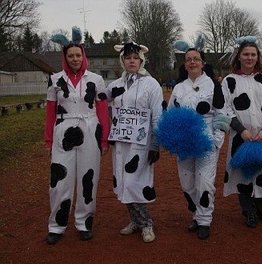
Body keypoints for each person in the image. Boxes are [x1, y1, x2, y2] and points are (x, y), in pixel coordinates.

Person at [44, 27, 110, 244]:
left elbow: (101, 110)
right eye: (70, 55)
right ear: (65, 57)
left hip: (90, 129)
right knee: (59, 180)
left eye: (78, 55)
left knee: (87, 179)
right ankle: (56, 225)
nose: (74, 59)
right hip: (63, 130)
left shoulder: (96, 80)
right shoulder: (54, 80)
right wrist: (49, 139)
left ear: (83, 56)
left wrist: (104, 137)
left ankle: (84, 222)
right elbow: (50, 112)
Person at [167, 48, 229, 240]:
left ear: (203, 63)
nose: (192, 62)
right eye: (188, 60)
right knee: (187, 184)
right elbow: (170, 113)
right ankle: (196, 213)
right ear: (184, 64)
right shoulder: (179, 87)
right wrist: (172, 138)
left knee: (204, 181)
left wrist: (216, 140)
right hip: (184, 142)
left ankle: (204, 220)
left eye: (196, 59)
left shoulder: (213, 85)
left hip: (206, 140)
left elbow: (222, 113)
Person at [106, 42, 163, 243]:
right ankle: (135, 220)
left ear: (141, 60)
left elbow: (157, 114)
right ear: (122, 61)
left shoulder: (151, 84)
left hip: (142, 143)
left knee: (134, 182)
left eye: (135, 58)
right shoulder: (114, 86)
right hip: (121, 143)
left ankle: (146, 223)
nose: (132, 61)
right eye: (128, 58)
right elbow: (104, 108)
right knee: (123, 182)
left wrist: (156, 143)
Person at [221, 39, 262, 228]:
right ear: (239, 56)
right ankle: (248, 211)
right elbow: (225, 108)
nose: (249, 58)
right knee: (243, 173)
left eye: (253, 54)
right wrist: (242, 131)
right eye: (246, 54)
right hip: (242, 137)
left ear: (258, 57)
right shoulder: (230, 80)